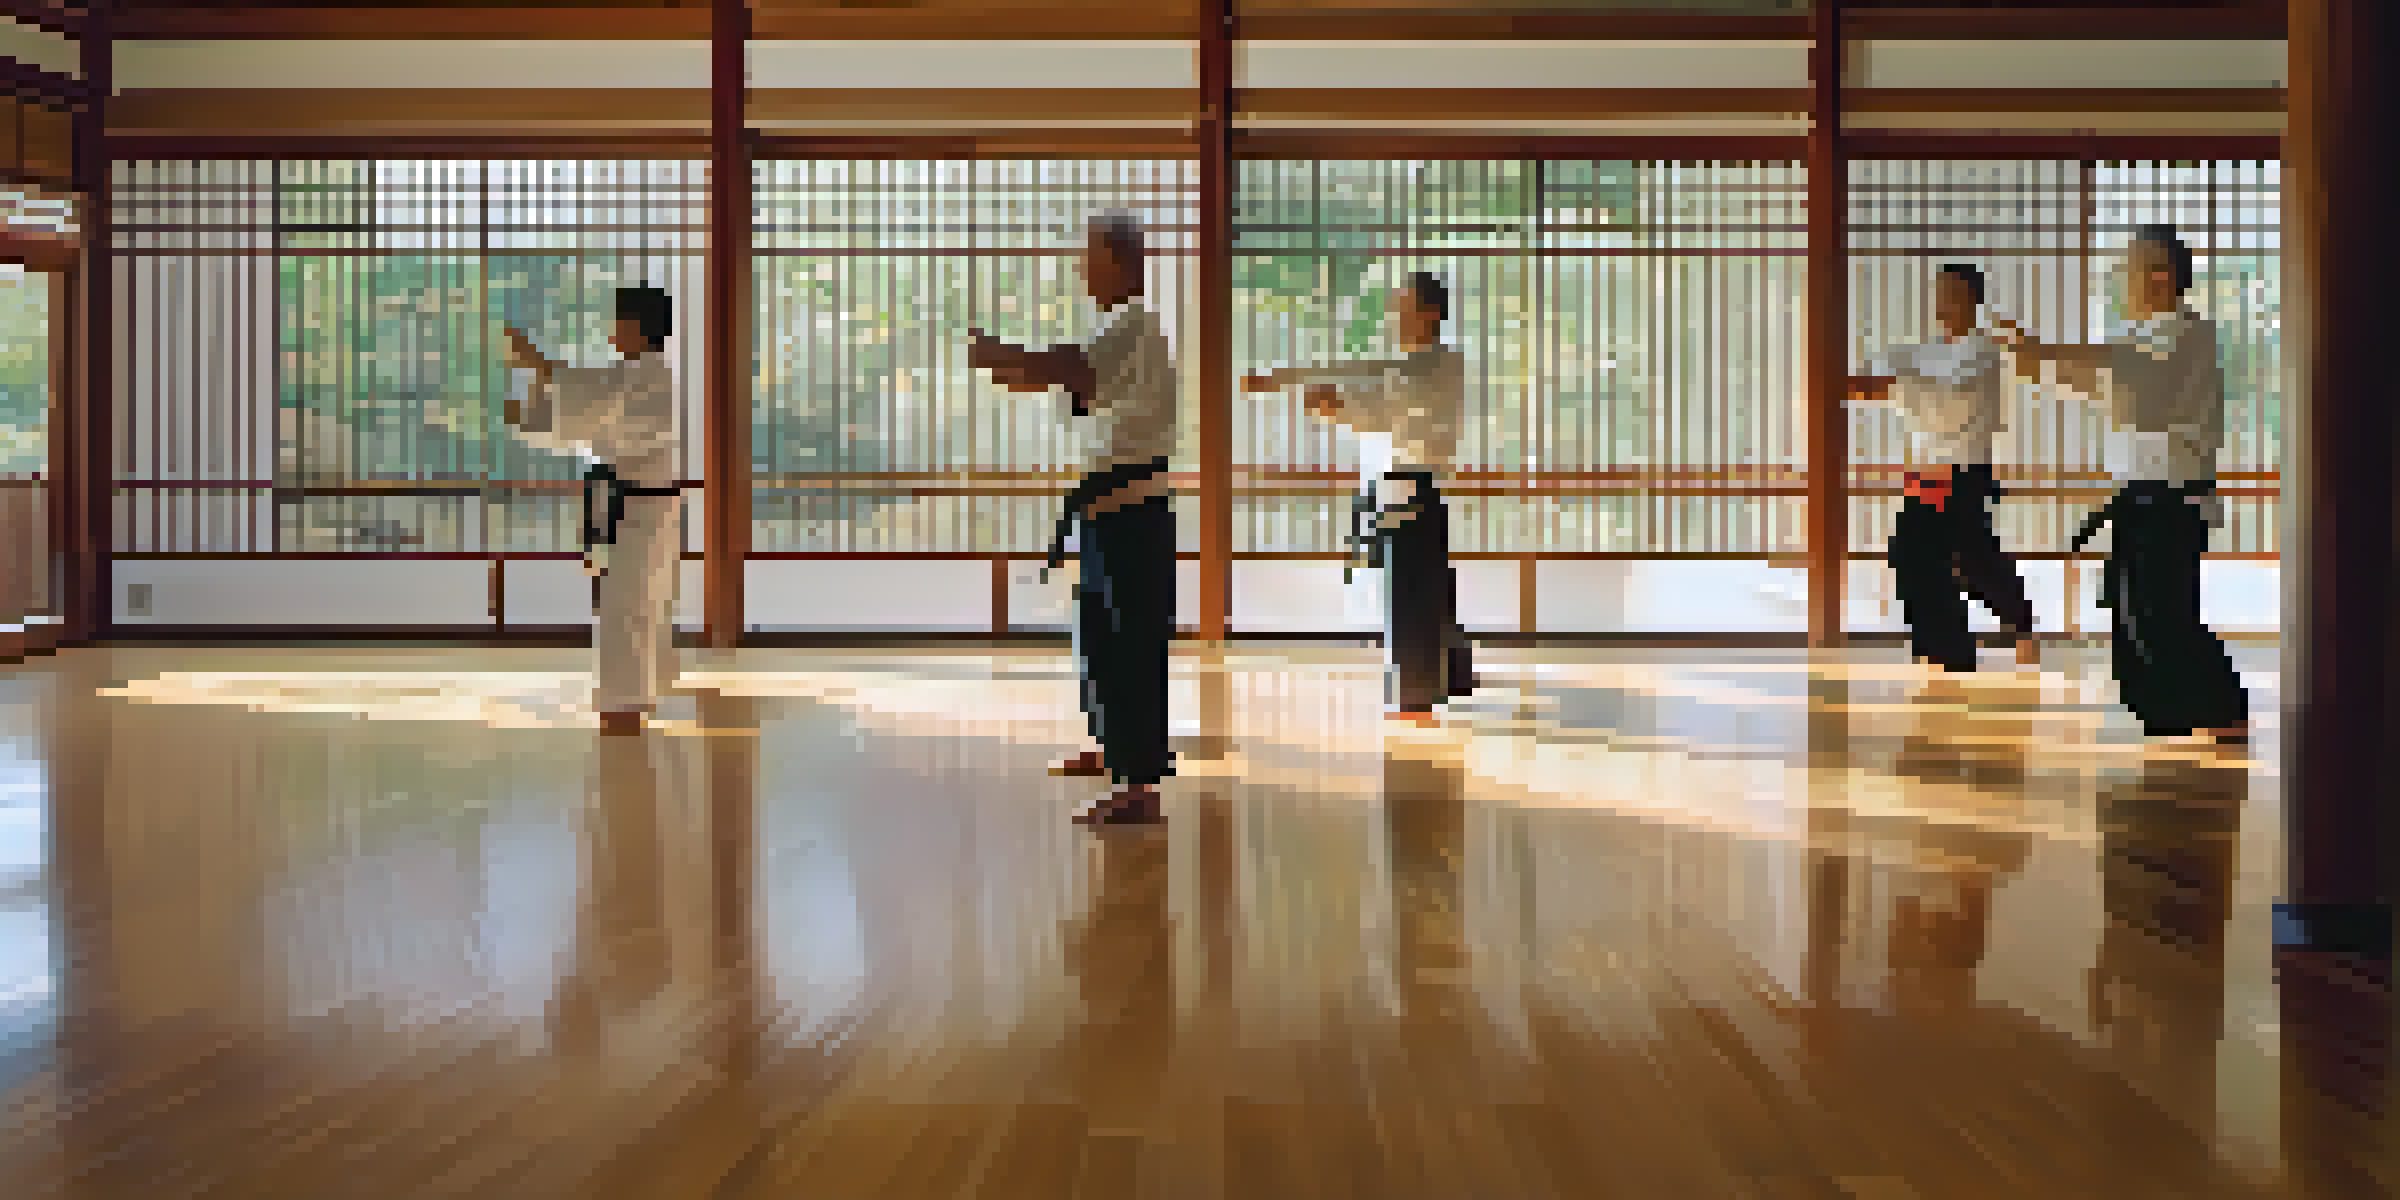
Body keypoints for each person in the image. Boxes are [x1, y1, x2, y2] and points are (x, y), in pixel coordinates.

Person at [1998, 225, 2249, 743]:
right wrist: (2036, 366)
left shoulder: (2189, 335)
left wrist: (2043, 354)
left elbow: (2135, 382)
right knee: (2130, 610)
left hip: (2172, 501)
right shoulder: (2139, 341)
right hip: (2140, 499)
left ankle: (2223, 711)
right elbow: (2108, 385)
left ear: (2160, 276)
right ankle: (2170, 716)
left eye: (2128, 269)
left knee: (2163, 612)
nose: (2120, 281)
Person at [968, 211, 1178, 826]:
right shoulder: (1113, 329)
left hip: (1132, 508)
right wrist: (1015, 368)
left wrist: (1006, 355)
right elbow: (1067, 380)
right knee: (1099, 635)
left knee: (1132, 641)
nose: (1081, 265)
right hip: (1105, 506)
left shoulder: (1135, 325)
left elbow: (1071, 370)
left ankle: (1140, 786)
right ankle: (1113, 747)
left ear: (1121, 259)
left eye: (1089, 254)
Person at [1244, 272, 1474, 726]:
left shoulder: (1438, 365)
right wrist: (1321, 401)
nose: (1394, 315)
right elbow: (1371, 395)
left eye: (1403, 306)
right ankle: (1430, 688)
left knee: (1412, 597)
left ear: (1429, 313)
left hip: (1415, 489)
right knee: (1415, 594)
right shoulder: (1411, 367)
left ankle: (1416, 701)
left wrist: (1334, 405)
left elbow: (1383, 406)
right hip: (1397, 490)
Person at [502, 286, 684, 737]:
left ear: (639, 326)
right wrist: (528, 410)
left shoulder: (650, 374)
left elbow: (592, 400)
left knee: (629, 605)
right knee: (626, 604)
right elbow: (588, 412)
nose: (612, 329)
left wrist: (535, 363)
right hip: (626, 504)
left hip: (641, 507)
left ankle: (624, 704)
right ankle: (632, 697)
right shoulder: (630, 374)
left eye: (619, 320)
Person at [1851, 264, 2041, 672]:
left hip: (1963, 469)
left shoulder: (1985, 352)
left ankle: (2008, 627)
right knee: (1918, 554)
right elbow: (1882, 372)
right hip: (1927, 470)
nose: (1943, 302)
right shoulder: (1926, 349)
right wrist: (1862, 381)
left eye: (1952, 293)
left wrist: (1895, 386)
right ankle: (1946, 645)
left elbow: (1953, 399)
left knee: (1966, 557)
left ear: (1972, 299)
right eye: (1939, 293)